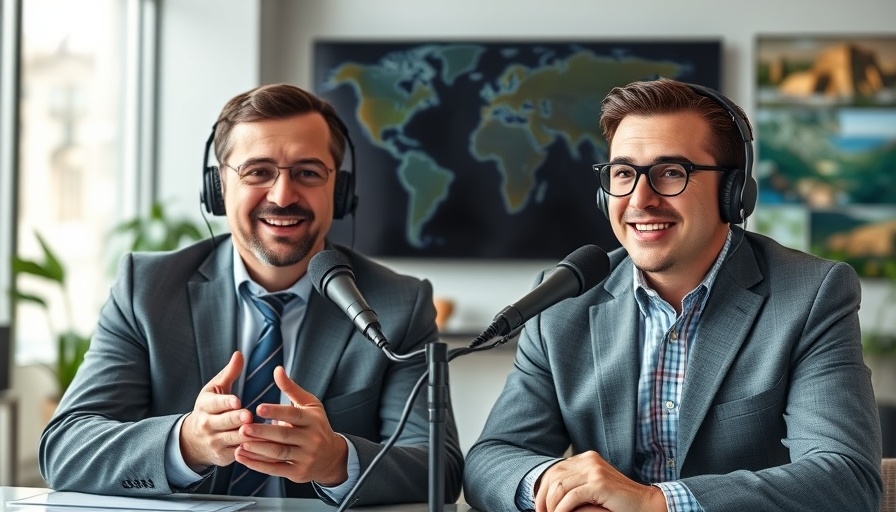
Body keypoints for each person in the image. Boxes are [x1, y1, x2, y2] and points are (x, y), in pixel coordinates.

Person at [463, 78, 882, 512]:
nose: (640, 200)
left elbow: (846, 478)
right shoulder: (563, 300)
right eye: (623, 173)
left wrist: (654, 502)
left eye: (671, 173)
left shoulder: (811, 294)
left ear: (732, 193)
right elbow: (489, 460)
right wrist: (553, 483)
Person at [39, 83, 463, 506]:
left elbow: (440, 471)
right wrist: (185, 443)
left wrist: (337, 460)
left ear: (340, 190)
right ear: (218, 186)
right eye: (257, 171)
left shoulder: (397, 304)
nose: (282, 195)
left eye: (308, 172)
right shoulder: (147, 289)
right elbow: (65, 449)